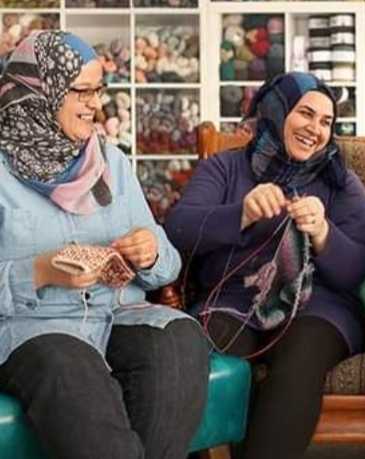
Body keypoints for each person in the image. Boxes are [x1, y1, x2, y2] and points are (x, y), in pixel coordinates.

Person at [0, 31, 210, 459]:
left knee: (179, 339)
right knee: (68, 365)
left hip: (116, 315)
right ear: (38, 90)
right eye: (81, 90)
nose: (95, 104)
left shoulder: (111, 161)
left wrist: (151, 253)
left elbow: (167, 266)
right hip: (33, 330)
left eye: (99, 90)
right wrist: (40, 271)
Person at [165, 71, 365, 459]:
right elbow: (179, 230)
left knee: (301, 357)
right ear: (276, 111)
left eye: (326, 121)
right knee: (198, 354)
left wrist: (323, 232)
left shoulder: (342, 183)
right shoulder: (224, 168)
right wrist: (241, 213)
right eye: (305, 114)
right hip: (233, 300)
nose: (315, 129)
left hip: (318, 307)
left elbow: (354, 271)